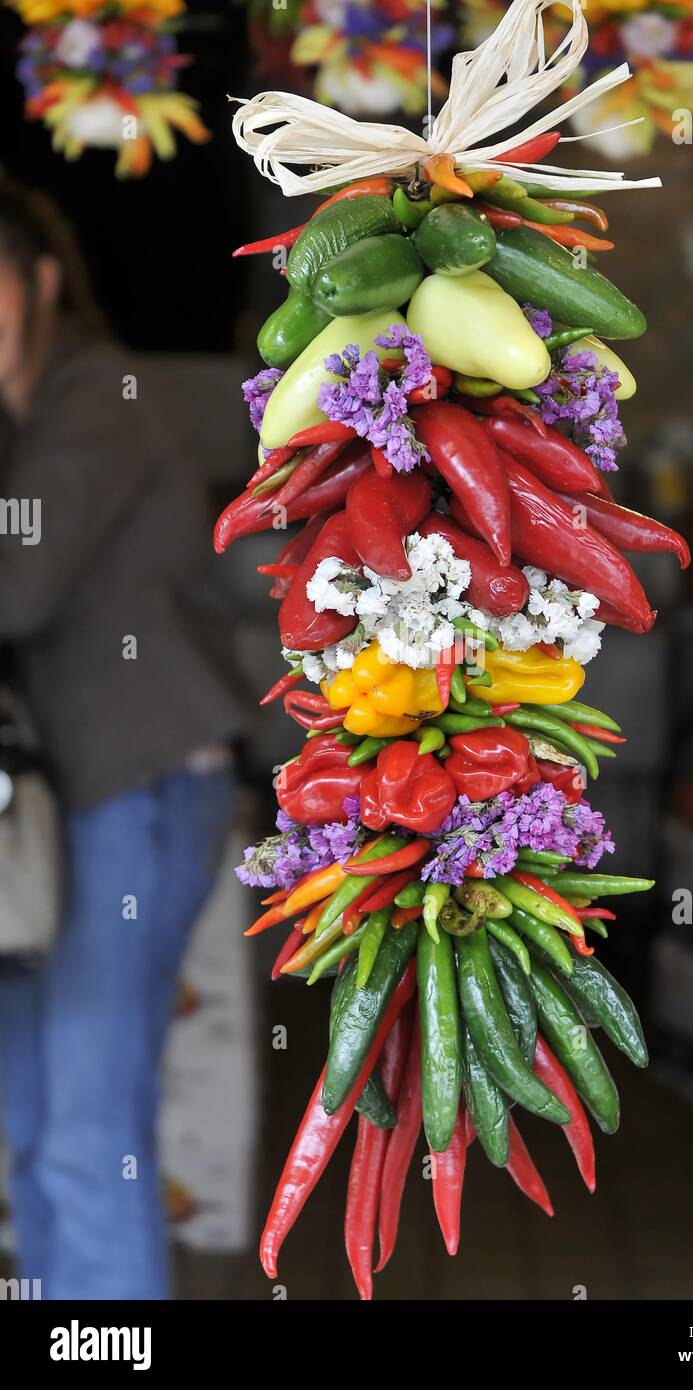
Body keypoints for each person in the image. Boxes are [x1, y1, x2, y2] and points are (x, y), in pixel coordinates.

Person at [0, 181, 247, 1300]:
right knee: (40, 1114)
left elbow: (16, 582)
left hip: (139, 789)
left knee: (86, 1127)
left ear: (41, 283)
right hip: (69, 808)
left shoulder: (98, 394)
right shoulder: (34, 415)